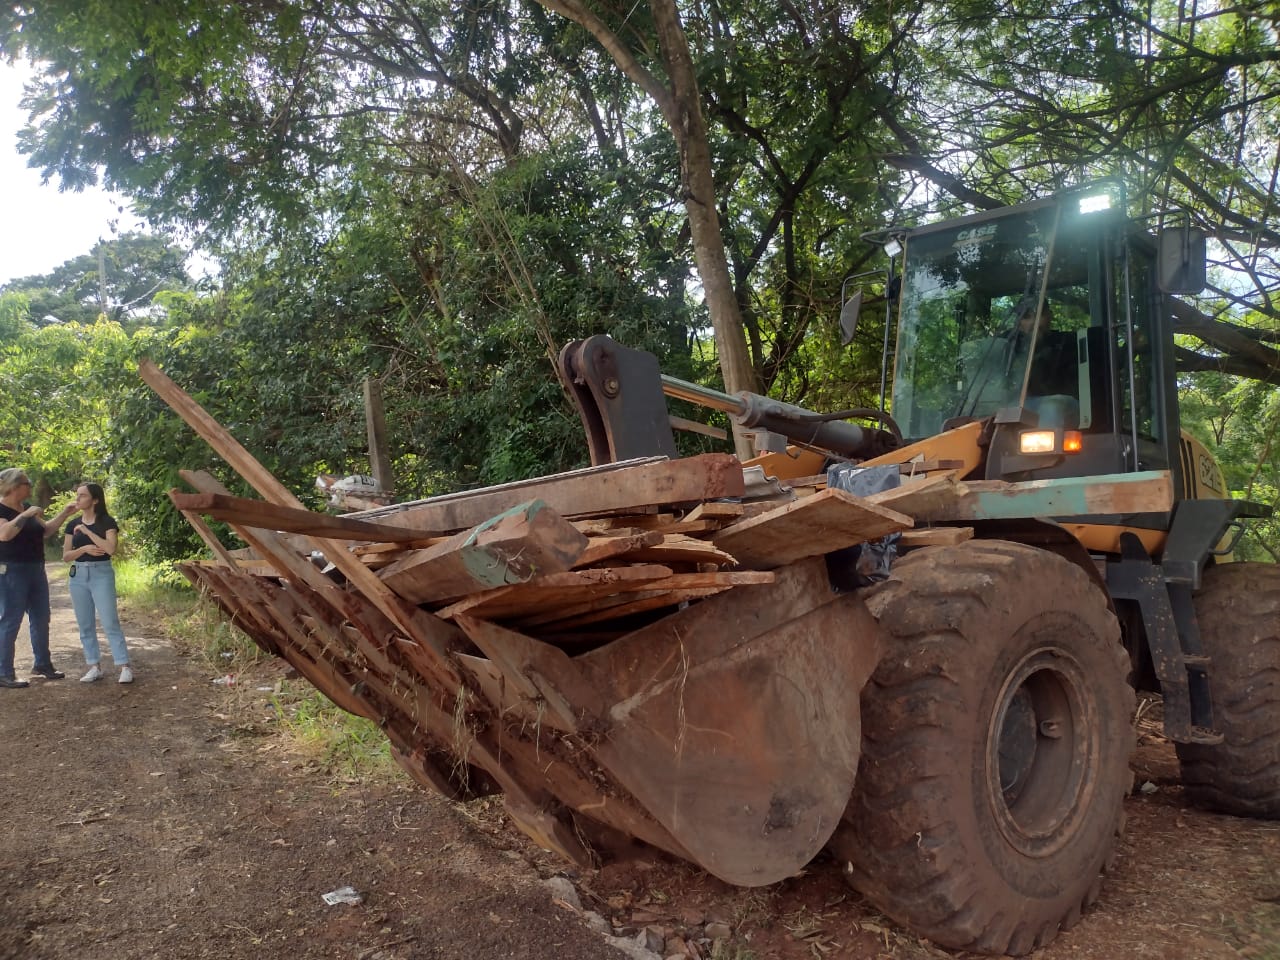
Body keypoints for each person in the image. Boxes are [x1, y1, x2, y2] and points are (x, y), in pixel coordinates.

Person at [0, 468, 78, 688]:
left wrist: (65, 513)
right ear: (15, 486)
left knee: (41, 617)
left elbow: (45, 531)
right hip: (11, 570)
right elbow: (4, 535)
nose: (31, 487)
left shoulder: (26, 507)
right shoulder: (4, 509)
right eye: (28, 483)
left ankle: (42, 664)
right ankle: (4, 671)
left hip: (36, 568)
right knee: (10, 620)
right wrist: (25, 515)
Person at [62, 482, 133, 684]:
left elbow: (110, 549)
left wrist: (87, 532)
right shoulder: (71, 524)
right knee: (85, 624)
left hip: (101, 573)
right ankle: (93, 666)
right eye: (77, 495)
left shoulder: (107, 522)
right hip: (78, 575)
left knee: (110, 621)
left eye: (82, 496)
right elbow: (66, 556)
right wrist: (84, 550)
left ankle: (124, 666)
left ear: (95, 499)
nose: (78, 499)